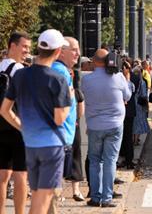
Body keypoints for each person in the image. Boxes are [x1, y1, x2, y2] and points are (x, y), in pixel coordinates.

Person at [1, 29, 71, 214]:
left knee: (30, 190)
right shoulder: (57, 79)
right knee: (41, 195)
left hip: (28, 141)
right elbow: (59, 118)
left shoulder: (21, 75)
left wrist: (24, 127)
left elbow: (4, 110)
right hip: (49, 143)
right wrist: (69, 103)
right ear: (57, 52)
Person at [81, 49, 132, 208]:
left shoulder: (86, 80)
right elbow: (128, 96)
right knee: (110, 160)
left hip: (95, 126)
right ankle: (107, 197)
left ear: (94, 62)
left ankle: (95, 197)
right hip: (115, 125)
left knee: (95, 160)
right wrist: (127, 77)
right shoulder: (118, 77)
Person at [51, 37, 85, 205]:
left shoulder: (64, 71)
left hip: (65, 132)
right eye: (74, 49)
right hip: (60, 134)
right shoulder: (59, 71)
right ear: (61, 51)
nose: (78, 53)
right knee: (52, 186)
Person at [0, 31, 31, 214]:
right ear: (13, 46)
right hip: (18, 126)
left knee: (2, 175)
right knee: (21, 174)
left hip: (0, 128)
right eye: (24, 46)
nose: (27, 51)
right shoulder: (20, 71)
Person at [132, 66, 149, 145]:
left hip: (131, 103)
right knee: (138, 122)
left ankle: (132, 139)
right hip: (139, 104)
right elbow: (144, 95)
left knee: (133, 122)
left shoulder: (130, 81)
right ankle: (136, 140)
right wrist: (146, 105)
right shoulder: (141, 82)